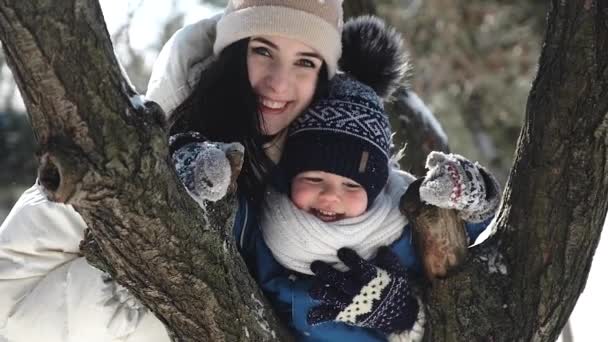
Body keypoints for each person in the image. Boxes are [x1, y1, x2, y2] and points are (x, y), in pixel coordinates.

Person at [0, 1, 347, 341]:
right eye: (264, 51)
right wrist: (147, 288)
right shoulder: (136, 153)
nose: (279, 83)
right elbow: (10, 299)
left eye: (305, 61)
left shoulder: (330, 186)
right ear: (234, 53)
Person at [174, 20, 500, 341]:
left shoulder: (402, 215)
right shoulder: (267, 231)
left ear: (374, 190)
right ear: (289, 175)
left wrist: (474, 198)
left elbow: (479, 249)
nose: (331, 196)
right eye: (314, 178)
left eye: (351, 186)